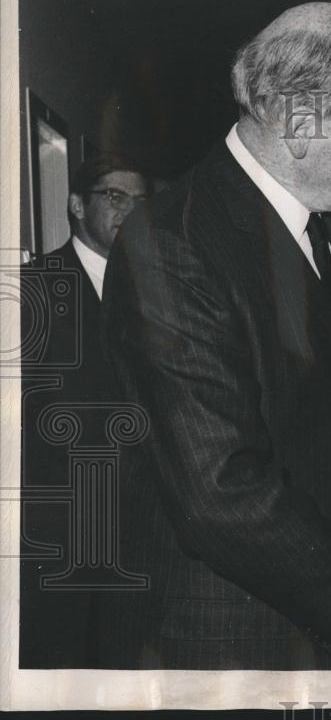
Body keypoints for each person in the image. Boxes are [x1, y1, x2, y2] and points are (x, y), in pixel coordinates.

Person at [100, 2, 331, 669]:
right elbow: (217, 490)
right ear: (299, 124)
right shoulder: (169, 243)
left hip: (327, 628)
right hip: (234, 647)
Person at [20, 154, 149, 667]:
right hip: (58, 546)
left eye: (141, 202)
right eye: (116, 197)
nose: (132, 212)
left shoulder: (158, 294)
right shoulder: (33, 289)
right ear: (76, 204)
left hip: (140, 543)